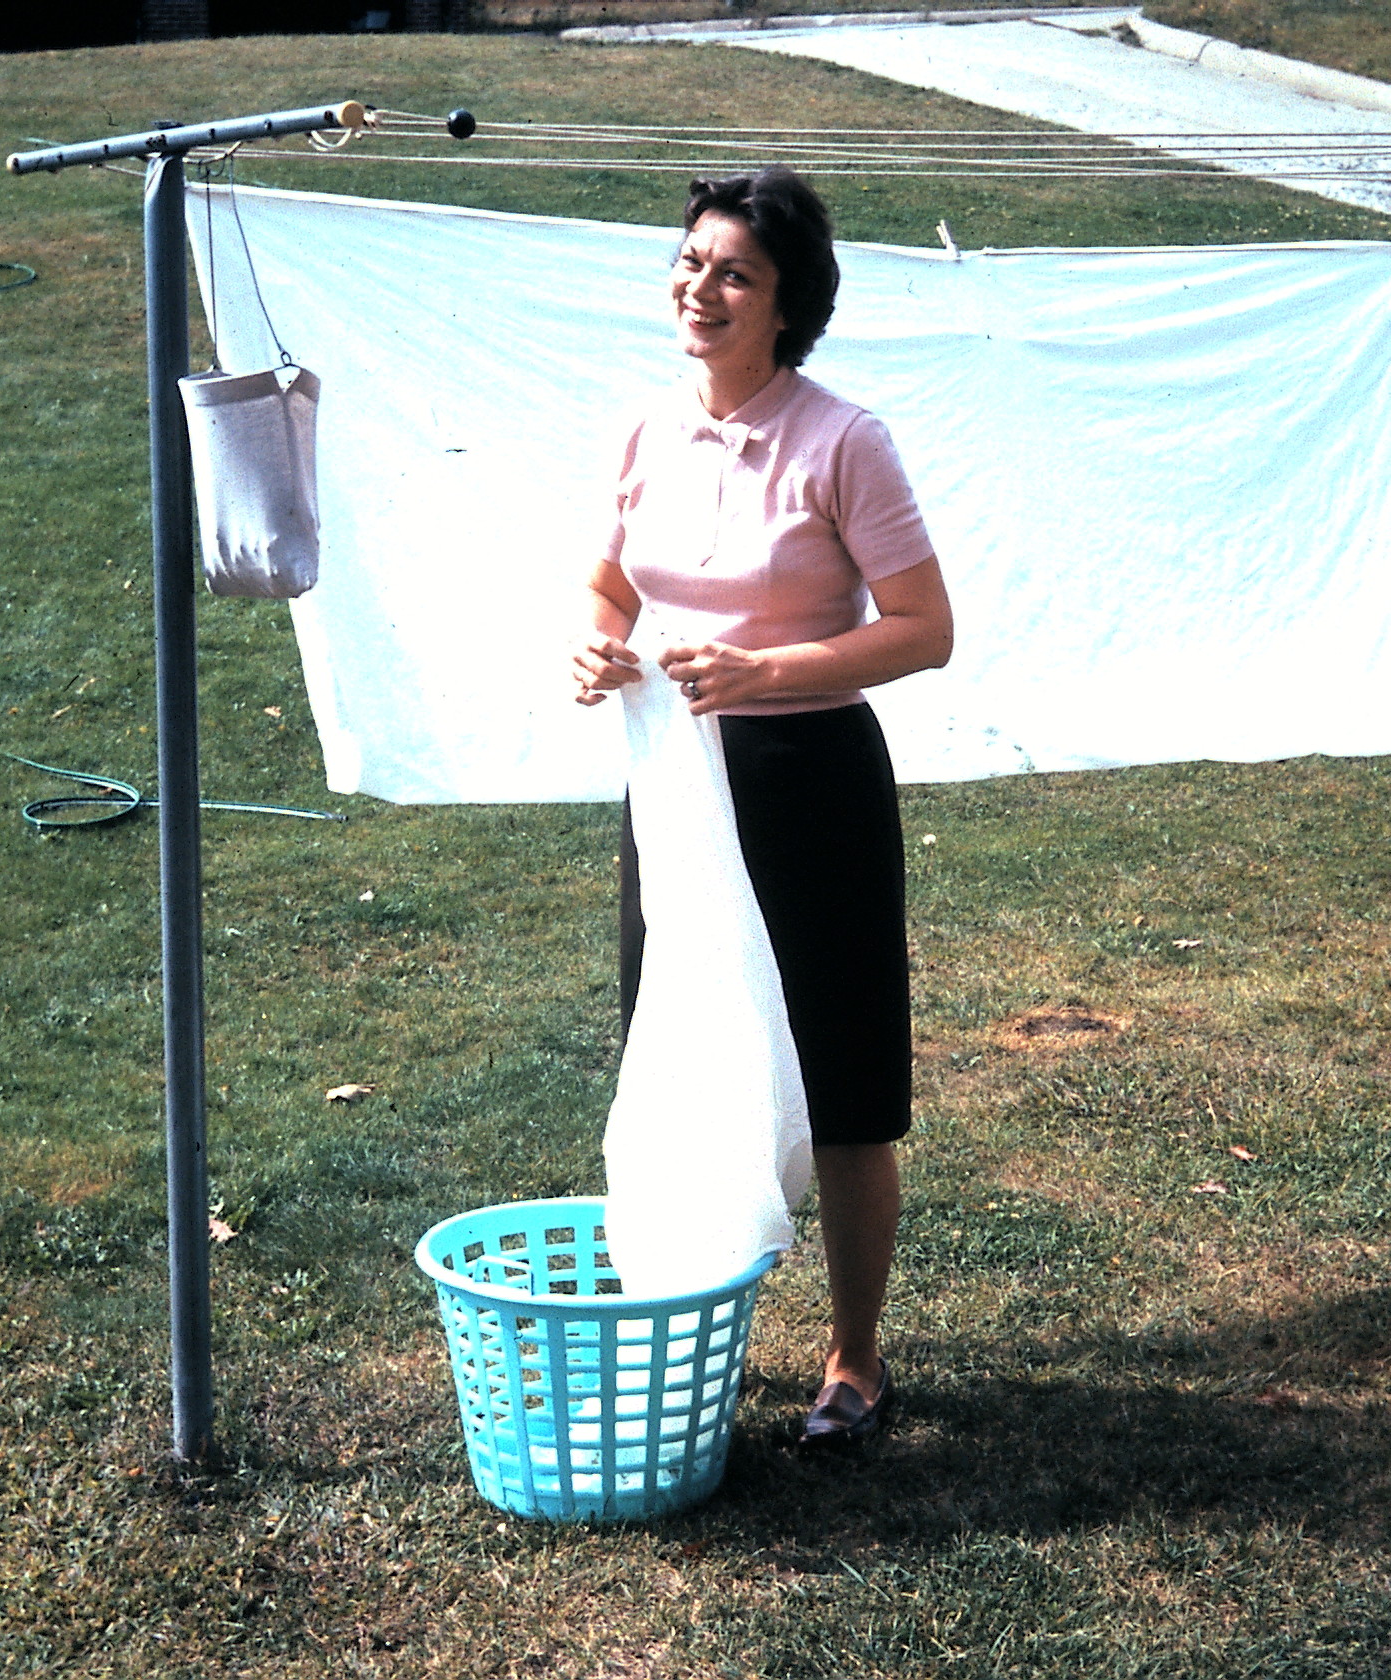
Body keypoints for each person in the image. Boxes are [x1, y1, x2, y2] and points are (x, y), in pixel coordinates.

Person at [570, 167, 954, 1447]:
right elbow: (609, 589)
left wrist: (763, 674)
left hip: (810, 790)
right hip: (676, 794)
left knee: (843, 1077)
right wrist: (593, 646)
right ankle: (686, 1324)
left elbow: (924, 632)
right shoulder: (640, 431)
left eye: (735, 272)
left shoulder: (846, 441)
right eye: (690, 262)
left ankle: (853, 1358)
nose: (701, 288)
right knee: (682, 1053)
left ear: (788, 305)